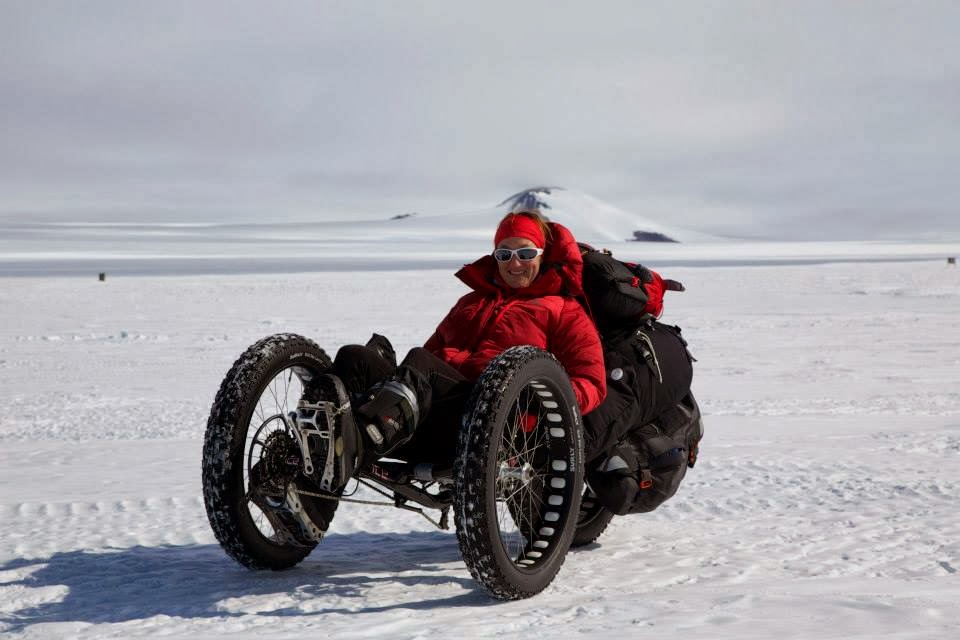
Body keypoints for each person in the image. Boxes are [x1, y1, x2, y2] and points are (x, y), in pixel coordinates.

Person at [325, 207, 607, 473]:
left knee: (422, 362)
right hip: (429, 415)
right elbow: (428, 359)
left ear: (542, 256)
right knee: (354, 357)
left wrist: (534, 400)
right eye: (504, 254)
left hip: (488, 422)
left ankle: (356, 441)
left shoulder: (564, 310)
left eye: (525, 252)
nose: (515, 262)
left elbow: (591, 382)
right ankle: (320, 457)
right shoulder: (470, 302)